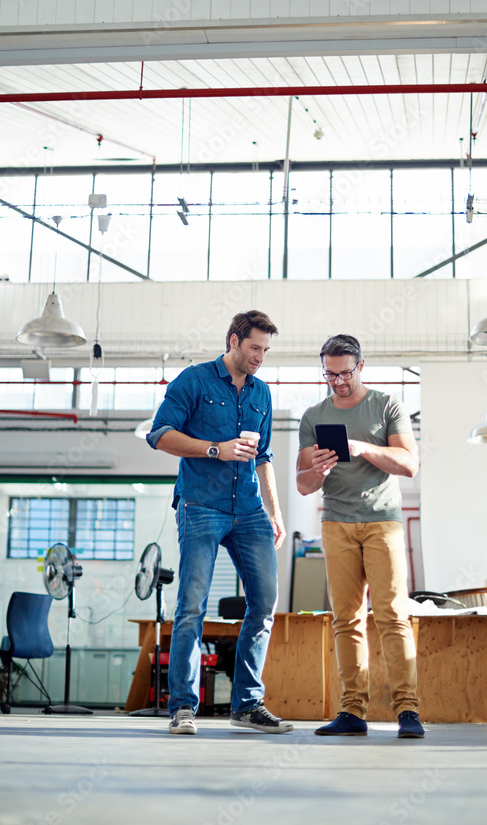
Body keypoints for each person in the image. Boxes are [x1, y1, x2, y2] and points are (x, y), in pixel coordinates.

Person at [147, 309, 293, 735]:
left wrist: (275, 512)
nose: (260, 357)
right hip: (201, 505)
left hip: (249, 511)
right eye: (254, 348)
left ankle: (246, 705)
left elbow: (263, 458)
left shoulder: (262, 394)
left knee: (264, 603)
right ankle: (183, 708)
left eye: (266, 350)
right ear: (233, 341)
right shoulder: (194, 380)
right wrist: (216, 449)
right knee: (192, 606)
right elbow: (159, 434)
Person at [296, 334, 423, 739]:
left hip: (383, 522)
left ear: (361, 366)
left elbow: (408, 464)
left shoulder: (386, 405)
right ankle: (353, 712)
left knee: (392, 617)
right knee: (346, 620)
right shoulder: (313, 417)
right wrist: (318, 468)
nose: (337, 381)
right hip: (336, 524)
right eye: (329, 374)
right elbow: (302, 485)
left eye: (344, 373)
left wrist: (362, 447)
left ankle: (408, 711)